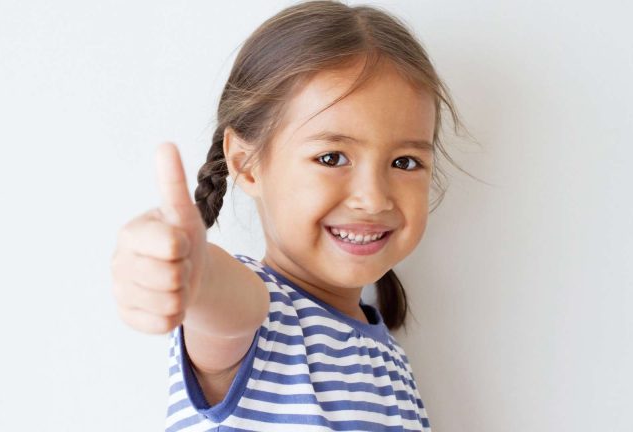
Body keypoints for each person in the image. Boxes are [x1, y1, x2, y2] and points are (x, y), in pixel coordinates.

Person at [110, 1, 470, 430]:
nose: (374, 199)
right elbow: (228, 307)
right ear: (246, 164)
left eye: (405, 162)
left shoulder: (389, 357)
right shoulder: (259, 312)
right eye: (332, 157)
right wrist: (195, 273)